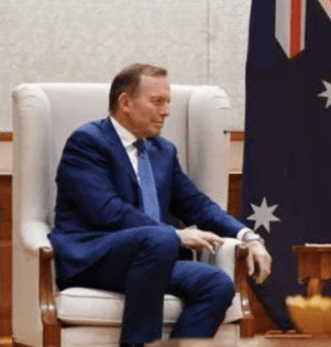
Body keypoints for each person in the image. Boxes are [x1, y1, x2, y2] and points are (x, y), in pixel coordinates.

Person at [48, 64, 272, 347]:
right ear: (125, 102)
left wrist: (248, 237)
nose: (166, 111)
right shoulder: (88, 142)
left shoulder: (162, 151)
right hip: (95, 258)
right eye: (157, 101)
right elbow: (106, 209)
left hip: (153, 258)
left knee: (217, 284)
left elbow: (197, 205)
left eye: (168, 102)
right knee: (160, 237)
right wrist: (174, 235)